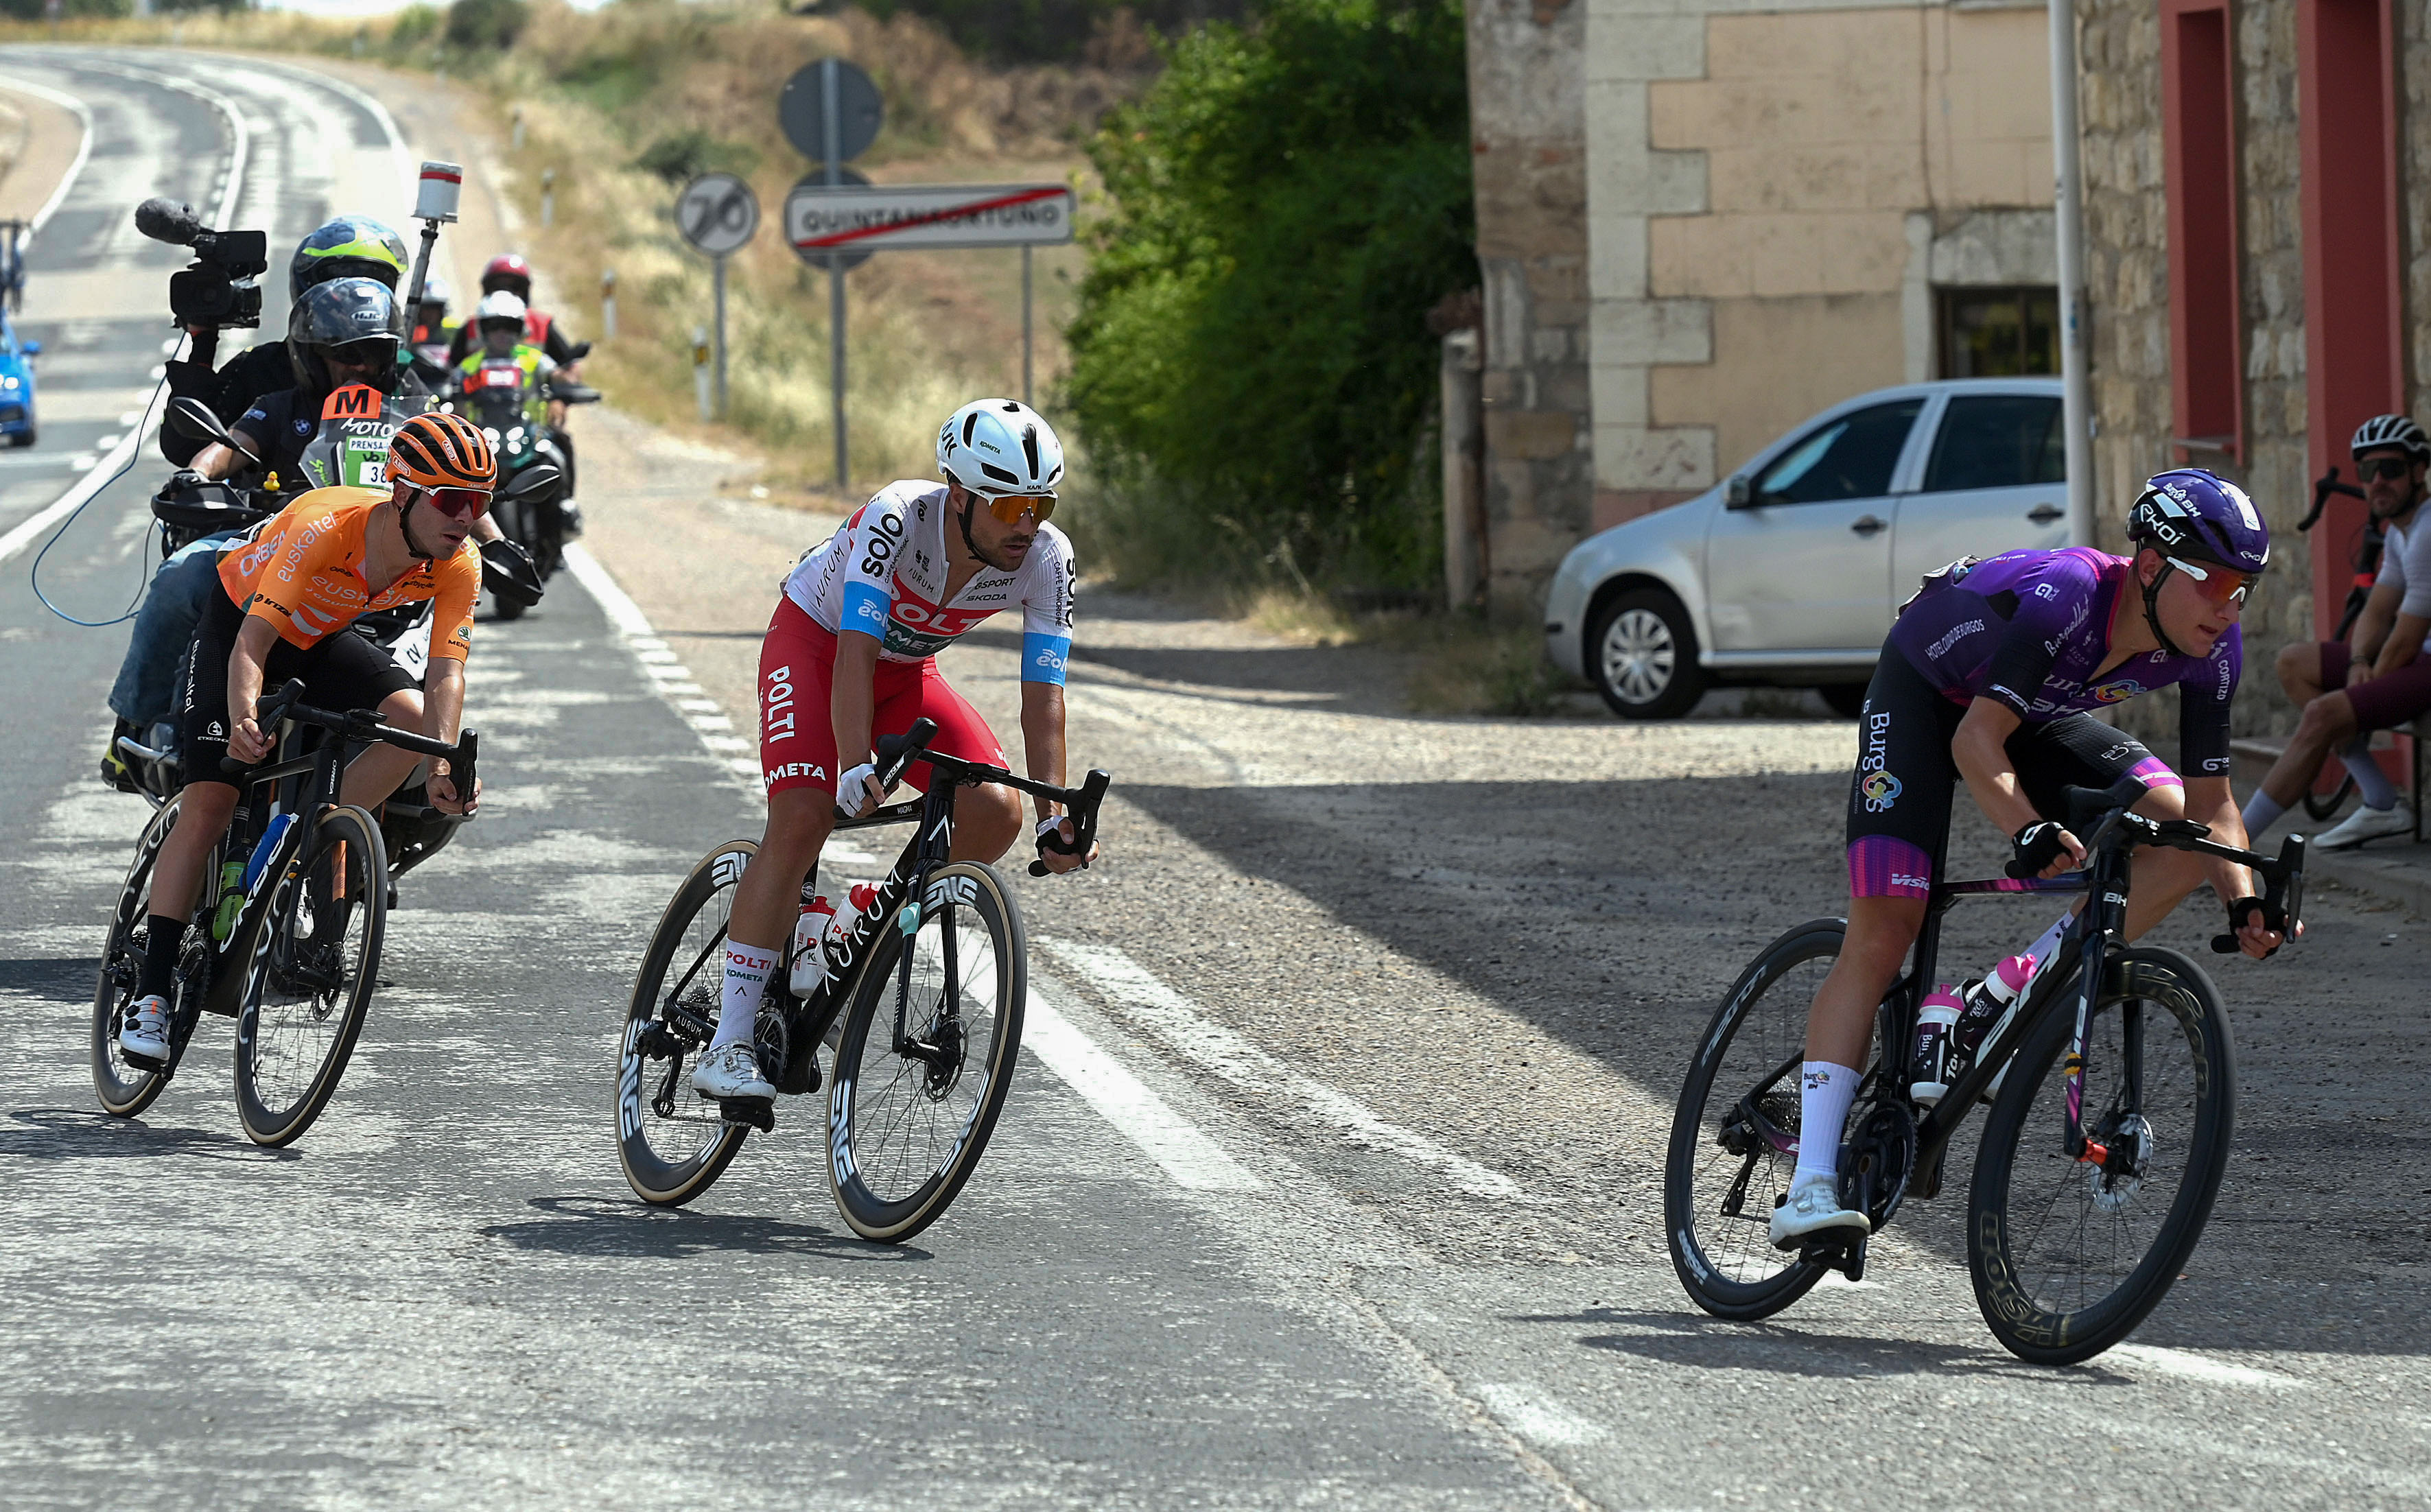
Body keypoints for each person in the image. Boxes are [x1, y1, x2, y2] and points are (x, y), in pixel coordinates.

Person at [1772, 468, 2292, 1249]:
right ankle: (1810, 1181)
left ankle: (1997, 992)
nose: (2230, 606)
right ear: (2152, 565)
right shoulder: (2069, 595)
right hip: (1927, 696)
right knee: (1885, 930)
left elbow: (2213, 804)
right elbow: (1974, 740)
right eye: (2215, 581)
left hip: (2037, 710)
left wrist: (2244, 898)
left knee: (2182, 836)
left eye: (2244, 589)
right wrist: (2027, 829)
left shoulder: (2213, 646)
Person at [692, 399, 1096, 1102]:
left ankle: (852, 923)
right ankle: (727, 1043)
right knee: (804, 817)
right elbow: (855, 650)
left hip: (906, 673)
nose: (1026, 525)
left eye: (1040, 506)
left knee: (995, 811)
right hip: (817, 648)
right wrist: (853, 762)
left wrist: (1053, 815)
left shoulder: (1048, 558)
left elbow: (1043, 697)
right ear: (960, 495)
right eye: (1009, 507)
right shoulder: (898, 516)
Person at [116, 412, 496, 1063]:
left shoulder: (459, 562)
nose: (465, 518)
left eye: (479, 503)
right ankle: (150, 994)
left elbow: (445, 673)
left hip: (321, 635)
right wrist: (244, 720)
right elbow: (252, 642)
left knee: (412, 722)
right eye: (450, 501)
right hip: (240, 625)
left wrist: (443, 763)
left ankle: (308, 835)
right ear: (402, 492)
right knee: (210, 803)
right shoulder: (324, 527)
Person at [2241, 415, 2431, 849]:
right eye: (2368, 470)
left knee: (2323, 715)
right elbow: (2377, 611)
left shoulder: (2427, 532)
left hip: (2425, 660)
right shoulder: (2401, 533)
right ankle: (2381, 801)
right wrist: (2360, 662)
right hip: (2418, 658)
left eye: (2391, 469)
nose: (2378, 481)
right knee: (2295, 663)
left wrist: (2361, 691)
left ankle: (2235, 844)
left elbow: (2404, 639)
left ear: (2419, 471)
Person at [161, 215, 410, 469]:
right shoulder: (263, 372)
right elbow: (186, 449)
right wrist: (203, 340)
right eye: (338, 285)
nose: (354, 297)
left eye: (371, 284)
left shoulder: (402, 374)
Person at [449, 255, 584, 505]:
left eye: (514, 287)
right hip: (484, 432)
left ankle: (566, 505)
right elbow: (451, 374)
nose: (502, 333)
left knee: (560, 447)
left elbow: (566, 370)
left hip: (530, 430)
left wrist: (560, 399)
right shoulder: (470, 340)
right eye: (494, 326)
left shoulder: (540, 332)